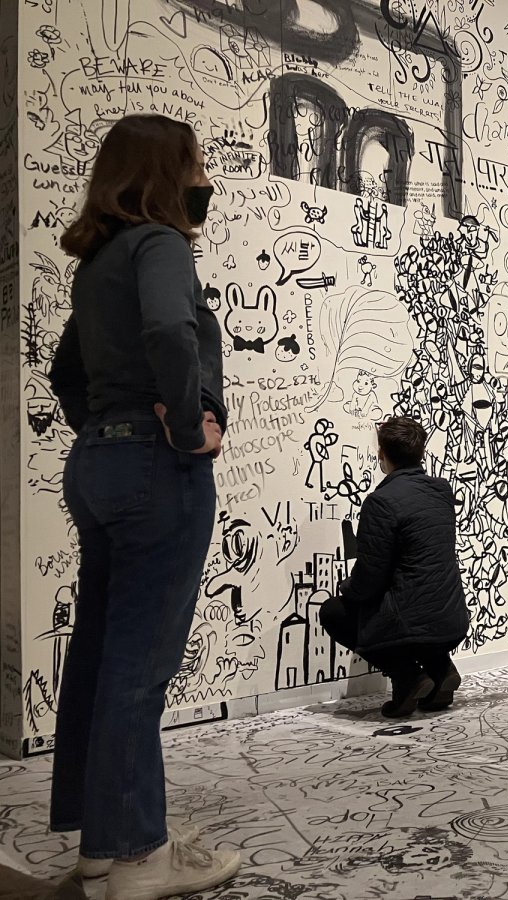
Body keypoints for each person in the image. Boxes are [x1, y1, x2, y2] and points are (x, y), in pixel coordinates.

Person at [47, 115, 240, 897]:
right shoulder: (160, 244)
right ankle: (137, 860)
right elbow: (169, 328)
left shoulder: (95, 265)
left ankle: (100, 843)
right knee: (141, 665)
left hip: (96, 463)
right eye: (196, 165)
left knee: (98, 653)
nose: (204, 182)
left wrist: (107, 428)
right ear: (168, 172)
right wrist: (188, 422)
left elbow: (66, 371)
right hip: (157, 470)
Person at [320, 416, 469, 718]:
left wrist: (346, 589)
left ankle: (408, 678)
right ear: (421, 453)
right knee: (417, 604)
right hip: (452, 619)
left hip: (412, 622)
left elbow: (369, 578)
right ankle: (441, 670)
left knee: (333, 612)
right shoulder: (442, 491)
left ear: (381, 455)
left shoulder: (381, 502)